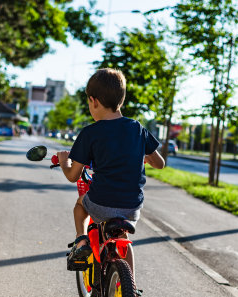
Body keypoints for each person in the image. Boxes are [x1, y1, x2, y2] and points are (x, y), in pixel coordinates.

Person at [56, 68, 165, 285]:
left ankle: (80, 241)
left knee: (80, 205)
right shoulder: (137, 128)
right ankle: (131, 288)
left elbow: (72, 176)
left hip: (100, 204)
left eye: (89, 103)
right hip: (131, 207)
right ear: (121, 101)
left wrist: (63, 162)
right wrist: (143, 158)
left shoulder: (90, 133)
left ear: (93, 101)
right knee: (123, 240)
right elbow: (159, 163)